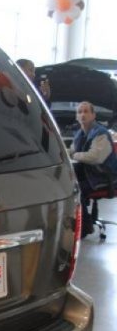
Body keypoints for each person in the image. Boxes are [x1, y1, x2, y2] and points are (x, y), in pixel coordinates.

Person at [69, 101, 117, 236]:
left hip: (105, 176)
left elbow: (95, 157)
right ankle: (82, 220)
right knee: (67, 183)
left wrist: (74, 155)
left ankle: (85, 226)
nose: (82, 114)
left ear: (93, 115)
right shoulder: (79, 134)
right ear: (76, 117)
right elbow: (72, 151)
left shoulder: (100, 133)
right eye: (79, 112)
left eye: (86, 111)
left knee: (77, 191)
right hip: (91, 174)